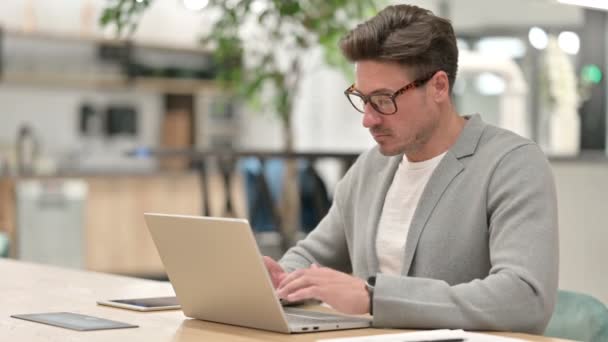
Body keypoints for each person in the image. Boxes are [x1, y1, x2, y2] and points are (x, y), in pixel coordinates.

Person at [263, 4, 558, 334]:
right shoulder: (370, 169)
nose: (368, 118)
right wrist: (278, 281)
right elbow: (312, 255)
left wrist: (373, 298)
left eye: (384, 99)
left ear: (439, 87)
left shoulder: (512, 165)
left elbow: (525, 298)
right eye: (363, 98)